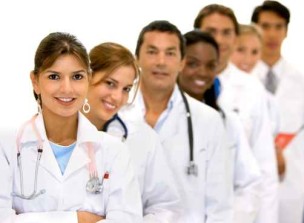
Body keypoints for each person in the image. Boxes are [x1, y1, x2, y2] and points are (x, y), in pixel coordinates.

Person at [0, 32, 142, 223]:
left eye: (77, 76)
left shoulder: (113, 151)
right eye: (54, 76)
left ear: (88, 79)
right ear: (35, 81)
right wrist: (78, 219)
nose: (67, 89)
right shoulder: (7, 146)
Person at [120, 20, 234, 223]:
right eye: (152, 51)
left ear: (182, 62)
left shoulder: (208, 120)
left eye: (170, 53)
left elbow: (220, 207)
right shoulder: (116, 115)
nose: (161, 61)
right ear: (137, 58)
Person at [193, 4, 279, 223]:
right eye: (211, 31)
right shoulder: (178, 83)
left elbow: (265, 168)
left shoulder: (252, 89)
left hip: (237, 212)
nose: (219, 40)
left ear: (235, 38)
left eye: (227, 32)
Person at [83, 41, 182, 222]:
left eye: (126, 89)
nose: (118, 97)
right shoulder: (52, 132)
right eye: (110, 83)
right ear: (86, 77)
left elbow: (165, 206)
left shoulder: (143, 138)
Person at [178, 30, 262, 223]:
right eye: (193, 63)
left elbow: (250, 184)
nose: (202, 72)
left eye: (210, 66)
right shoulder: (156, 119)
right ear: (178, 63)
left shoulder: (227, 121)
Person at [251, 1, 304, 223]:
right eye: (265, 26)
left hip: (291, 177)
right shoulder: (241, 78)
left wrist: (299, 164)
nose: (272, 34)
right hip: (251, 177)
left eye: (278, 26)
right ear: (255, 28)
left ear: (286, 31)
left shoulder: (303, 82)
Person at [230, 24, 280, 137]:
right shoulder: (214, 87)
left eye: (255, 52)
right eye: (240, 50)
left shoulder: (265, 97)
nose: (247, 59)